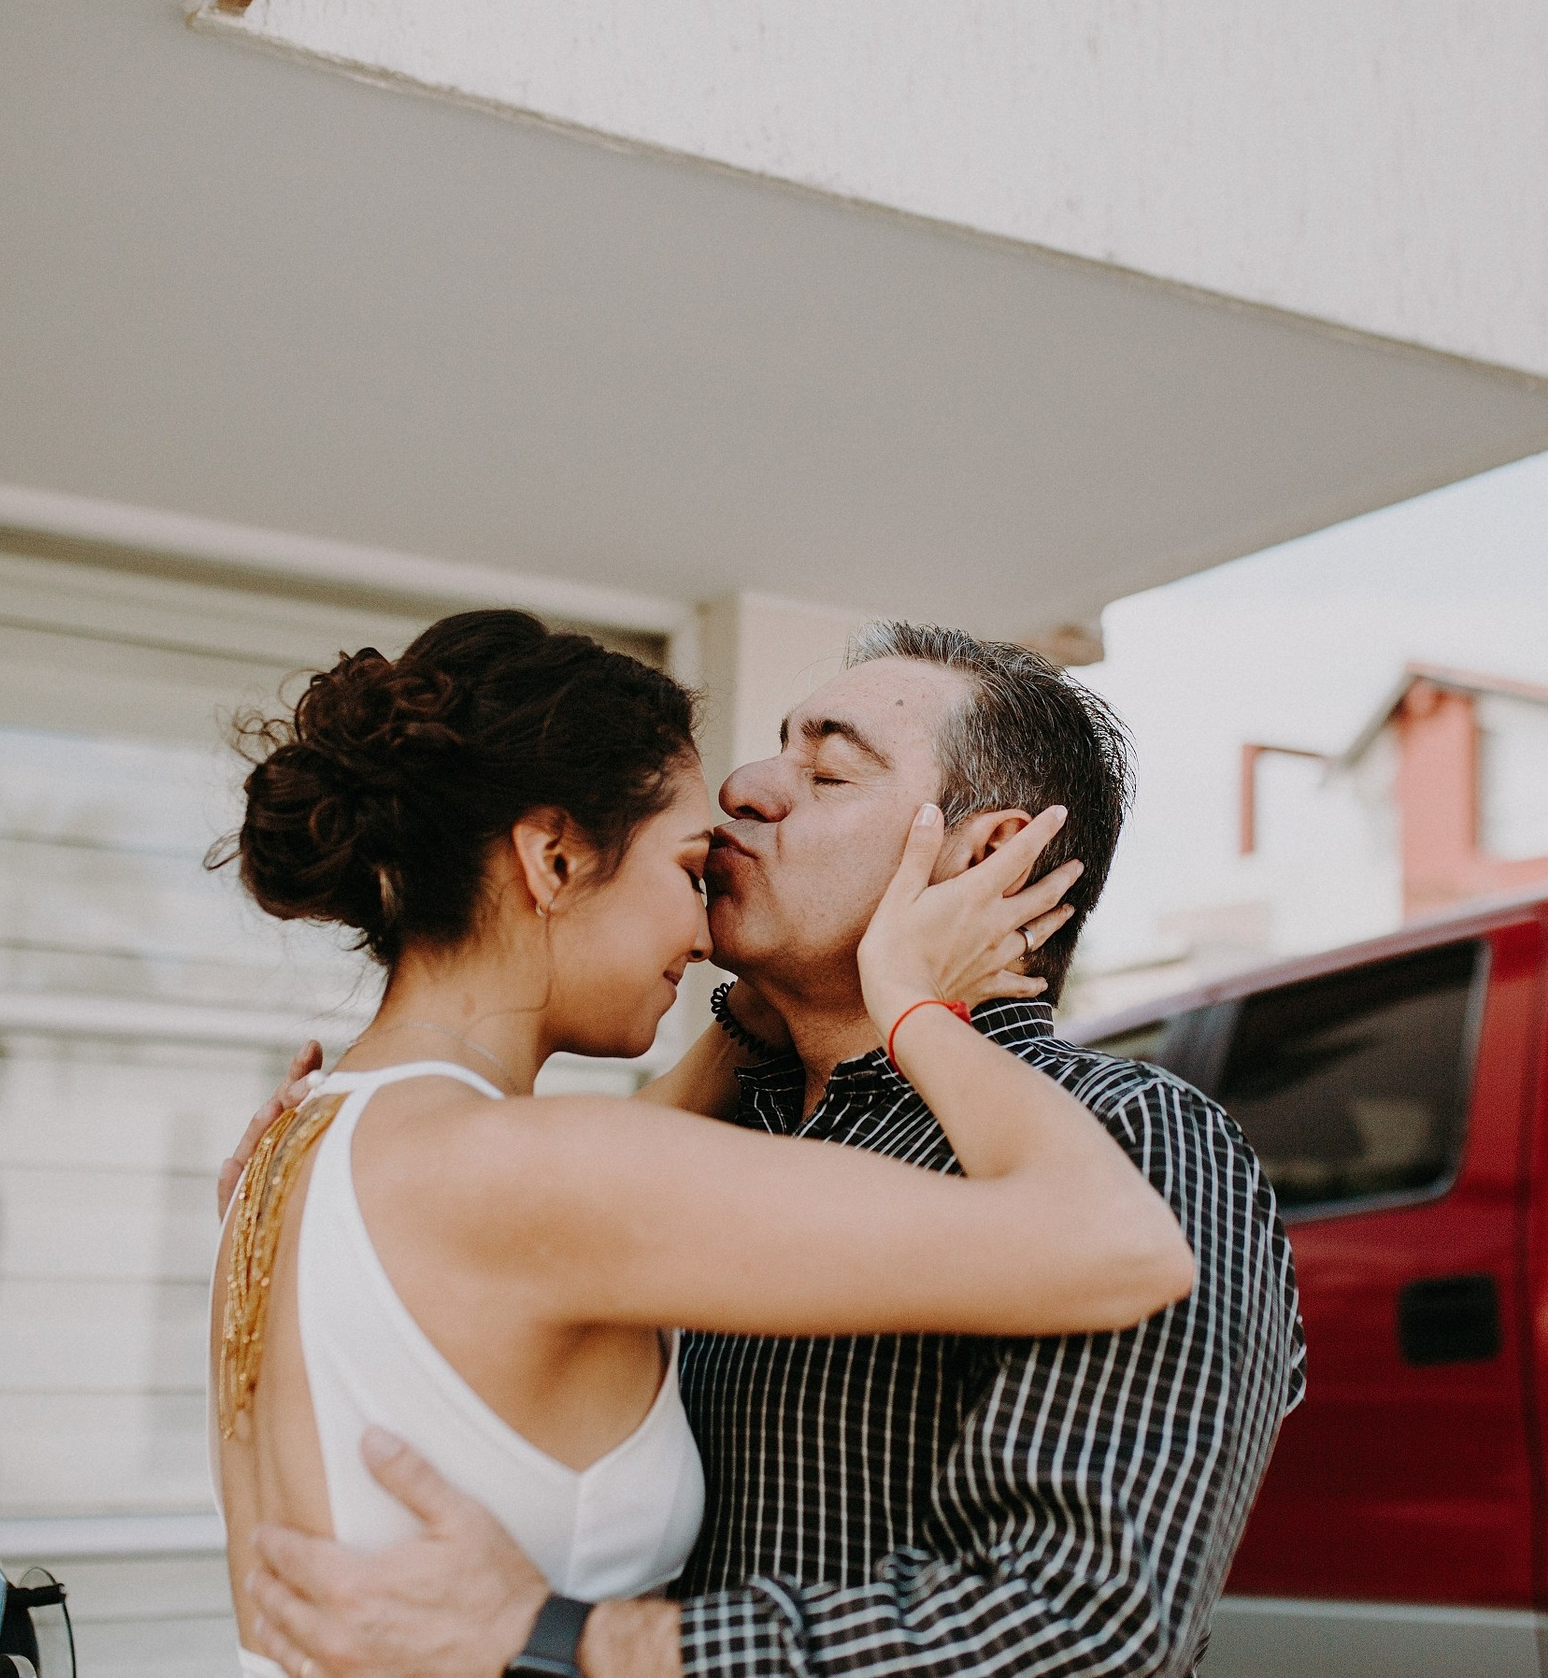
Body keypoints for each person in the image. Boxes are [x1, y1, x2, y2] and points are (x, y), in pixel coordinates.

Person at [223, 620, 1307, 1678]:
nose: (747, 785)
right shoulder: (687, 1140)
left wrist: (570, 1644)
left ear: (988, 857)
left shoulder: (1135, 1141)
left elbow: (1087, 1626)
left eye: (829, 773)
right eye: (773, 748)